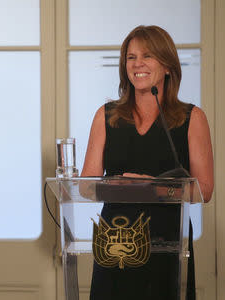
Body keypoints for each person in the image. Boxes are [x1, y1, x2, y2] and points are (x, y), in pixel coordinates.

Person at [81, 25, 214, 300]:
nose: (137, 64)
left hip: (167, 241)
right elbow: (85, 187)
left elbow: (204, 190)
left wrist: (152, 188)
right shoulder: (106, 116)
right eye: (131, 57)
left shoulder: (192, 118)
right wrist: (118, 185)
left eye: (147, 56)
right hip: (116, 241)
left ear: (167, 66)